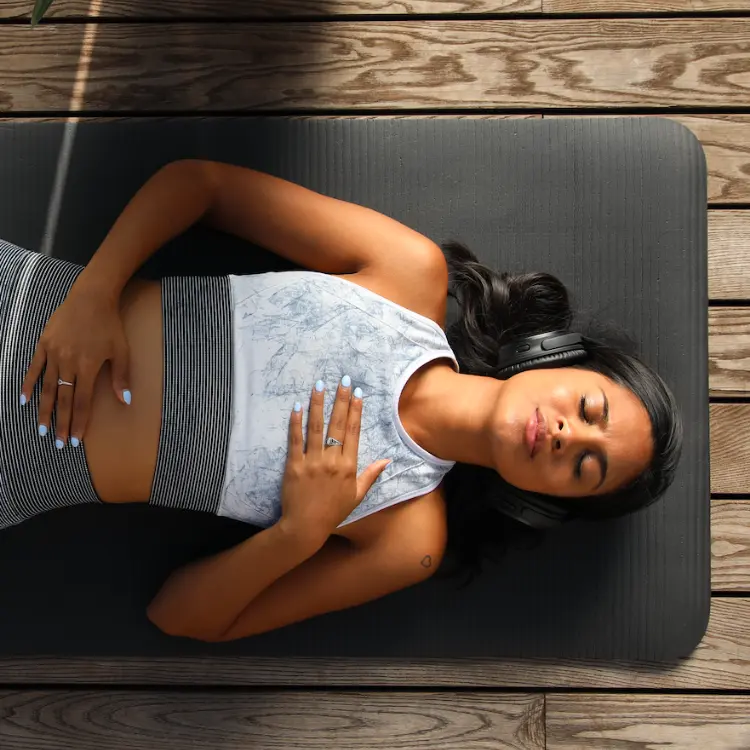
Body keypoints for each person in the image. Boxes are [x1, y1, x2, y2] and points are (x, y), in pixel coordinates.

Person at [0, 159, 682, 643]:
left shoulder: (407, 536)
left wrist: (298, 533)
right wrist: (92, 295)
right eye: (589, 410)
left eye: (583, 468)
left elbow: (181, 616)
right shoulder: (408, 273)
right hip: (23, 305)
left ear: (543, 502)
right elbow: (200, 185)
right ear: (556, 354)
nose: (569, 436)